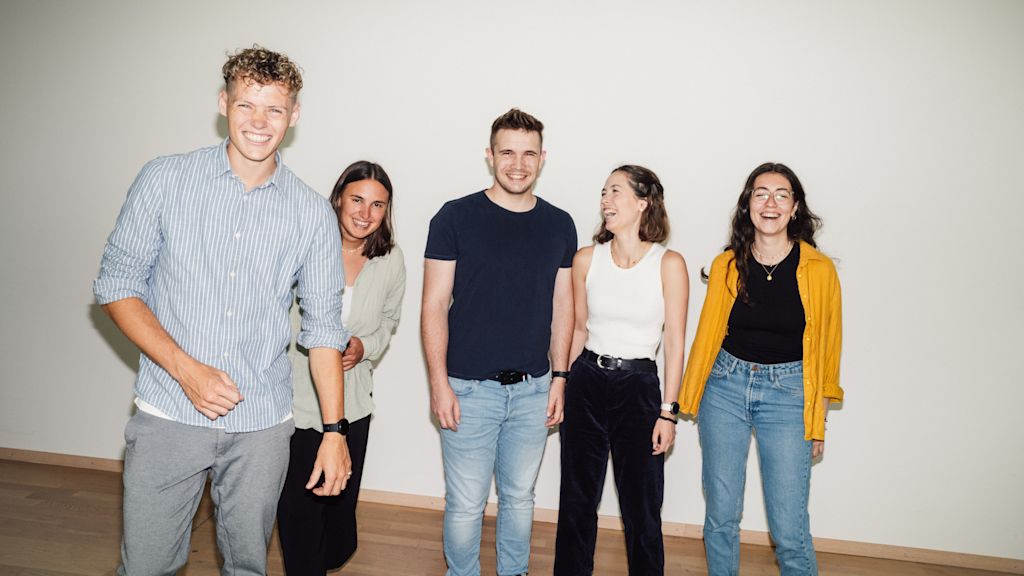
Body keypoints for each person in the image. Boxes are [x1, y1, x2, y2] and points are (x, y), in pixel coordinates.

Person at [93, 46, 352, 575]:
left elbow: (325, 330)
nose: (259, 122)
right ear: (222, 104)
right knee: (145, 567)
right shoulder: (164, 180)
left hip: (262, 426)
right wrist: (185, 369)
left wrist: (335, 431)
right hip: (168, 414)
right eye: (246, 106)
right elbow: (117, 284)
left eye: (274, 109)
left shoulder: (310, 214)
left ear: (294, 115)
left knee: (247, 568)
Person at [422, 108, 577, 576]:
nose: (518, 163)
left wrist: (560, 379)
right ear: (489, 155)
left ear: (542, 158)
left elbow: (564, 307)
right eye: (507, 151)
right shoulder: (454, 217)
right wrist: (439, 385)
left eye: (528, 153)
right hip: (468, 390)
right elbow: (433, 306)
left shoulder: (559, 223)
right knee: (467, 504)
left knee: (520, 499)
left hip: (533, 390)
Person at [678, 162, 843, 576]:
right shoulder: (726, 266)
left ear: (794, 207)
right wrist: (689, 392)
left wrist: (818, 417)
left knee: (789, 528)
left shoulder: (820, 270)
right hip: (725, 388)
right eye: (760, 193)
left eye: (780, 195)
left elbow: (828, 348)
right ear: (747, 204)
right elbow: (708, 332)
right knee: (721, 515)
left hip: (790, 394)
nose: (770, 203)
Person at [554, 166, 689, 576]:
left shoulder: (669, 264)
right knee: (577, 502)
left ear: (643, 202)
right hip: (586, 382)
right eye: (603, 193)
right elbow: (578, 328)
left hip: (640, 389)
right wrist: (561, 382)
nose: (605, 200)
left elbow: (675, 343)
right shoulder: (585, 259)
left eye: (615, 192)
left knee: (642, 509)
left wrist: (669, 411)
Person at [278, 161, 406, 574]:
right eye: (357, 200)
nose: (365, 214)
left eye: (377, 205)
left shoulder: (391, 259)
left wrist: (364, 346)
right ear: (338, 198)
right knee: (298, 511)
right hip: (295, 402)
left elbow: (389, 322)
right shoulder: (304, 246)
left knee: (337, 515)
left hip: (353, 406)